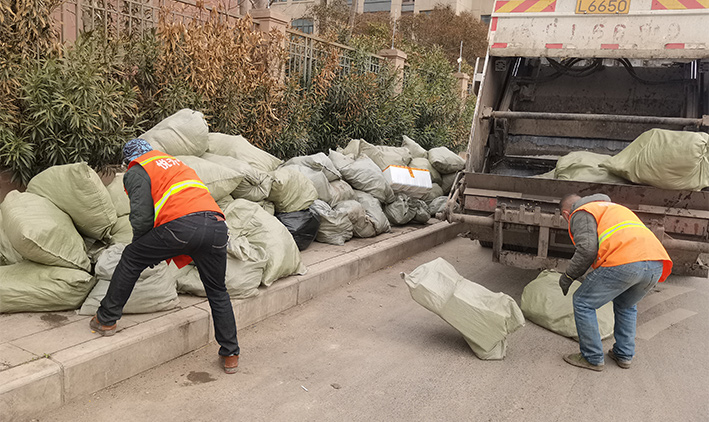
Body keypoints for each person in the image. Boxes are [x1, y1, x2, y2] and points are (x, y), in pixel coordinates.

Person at [89, 138, 240, 374]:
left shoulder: (138, 169)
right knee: (217, 291)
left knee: (131, 257)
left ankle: (106, 319)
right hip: (216, 226)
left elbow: (142, 217)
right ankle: (230, 353)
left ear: (129, 160)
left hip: (181, 227)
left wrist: (143, 247)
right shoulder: (176, 164)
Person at [558, 193, 672, 371]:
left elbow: (587, 250)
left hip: (626, 262)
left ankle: (592, 357)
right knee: (626, 305)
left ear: (566, 214)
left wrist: (568, 277)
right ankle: (624, 354)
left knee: (583, 302)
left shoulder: (581, 212)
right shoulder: (613, 208)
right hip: (656, 262)